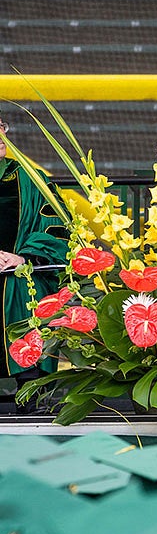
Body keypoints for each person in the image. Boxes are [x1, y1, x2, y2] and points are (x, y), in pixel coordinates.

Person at [0, 112, 69, 378]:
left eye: (2, 127)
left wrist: (24, 257)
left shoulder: (32, 179)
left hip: (21, 270)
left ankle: (30, 390)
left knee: (23, 284)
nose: (1, 135)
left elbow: (58, 228)